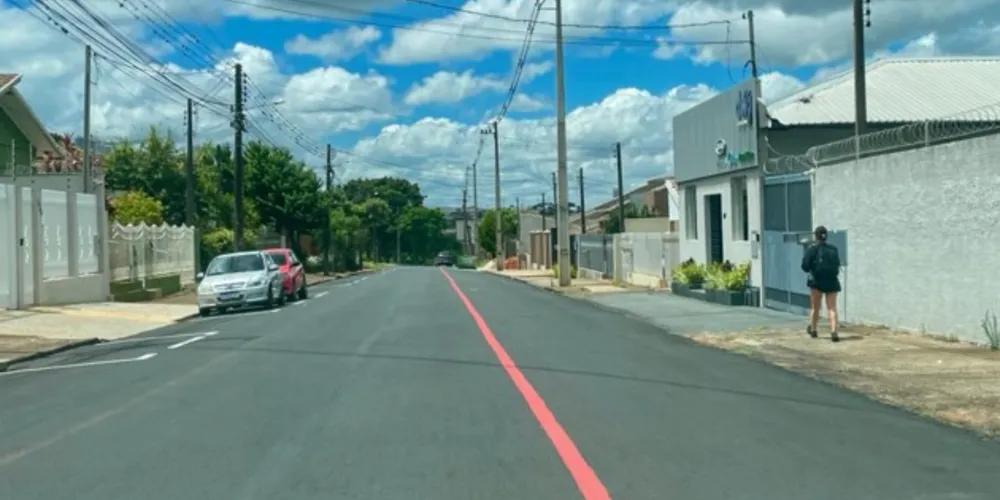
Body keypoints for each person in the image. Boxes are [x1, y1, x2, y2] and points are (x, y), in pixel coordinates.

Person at [801, 225, 841, 342]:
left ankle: (813, 329)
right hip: (832, 281)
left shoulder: (812, 249)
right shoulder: (833, 249)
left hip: (816, 281)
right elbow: (837, 264)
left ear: (816, 236)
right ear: (826, 236)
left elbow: (805, 266)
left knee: (815, 307)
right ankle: (834, 331)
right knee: (832, 307)